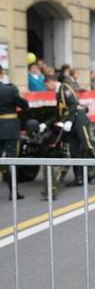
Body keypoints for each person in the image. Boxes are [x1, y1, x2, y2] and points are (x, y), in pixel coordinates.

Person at [42, 74, 95, 186]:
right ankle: (79, 178)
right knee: (74, 151)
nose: (46, 87)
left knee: (88, 145)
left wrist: (69, 121)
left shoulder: (64, 88)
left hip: (79, 121)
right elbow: (59, 114)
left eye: (46, 84)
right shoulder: (58, 93)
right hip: (71, 125)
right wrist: (45, 124)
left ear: (51, 81)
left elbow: (74, 105)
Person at [0, 65, 29, 200]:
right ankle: (14, 192)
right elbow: (24, 105)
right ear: (1, 74)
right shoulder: (10, 89)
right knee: (12, 159)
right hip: (9, 128)